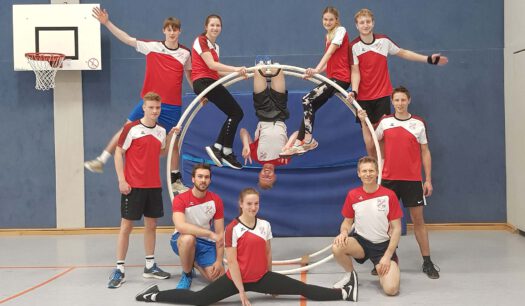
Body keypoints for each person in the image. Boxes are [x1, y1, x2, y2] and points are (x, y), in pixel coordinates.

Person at [136, 187, 358, 305]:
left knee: (302, 289)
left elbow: (267, 253)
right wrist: (242, 293)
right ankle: (154, 295)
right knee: (198, 299)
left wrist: (272, 283)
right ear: (241, 204)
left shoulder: (265, 225)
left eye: (256, 203)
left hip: (262, 277)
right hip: (237, 280)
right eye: (249, 204)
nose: (253, 207)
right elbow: (231, 262)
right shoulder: (234, 228)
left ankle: (344, 293)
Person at [85, 7, 191, 194]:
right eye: (169, 29)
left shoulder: (185, 53)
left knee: (173, 142)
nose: (172, 32)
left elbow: (190, 75)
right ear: (164, 31)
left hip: (172, 106)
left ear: (180, 31)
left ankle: (176, 180)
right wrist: (107, 23)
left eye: (175, 29)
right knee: (125, 129)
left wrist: (200, 94)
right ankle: (101, 160)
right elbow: (127, 38)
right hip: (149, 102)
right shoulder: (152, 47)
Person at [358, 86, 440, 279]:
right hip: (388, 179)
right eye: (397, 100)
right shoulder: (386, 122)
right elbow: (371, 144)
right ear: (392, 102)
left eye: (403, 100)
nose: (400, 103)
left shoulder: (418, 123)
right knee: (386, 223)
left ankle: (427, 262)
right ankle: (386, 259)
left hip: (412, 180)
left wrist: (427, 179)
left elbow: (425, 152)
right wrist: (363, 122)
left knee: (418, 221)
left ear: (409, 100)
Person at [349, 8, 448, 155]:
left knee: (381, 140)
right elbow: (355, 72)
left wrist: (428, 59)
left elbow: (403, 52)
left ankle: (382, 174)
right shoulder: (354, 46)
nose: (365, 25)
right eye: (361, 22)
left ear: (373, 23)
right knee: (370, 144)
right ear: (357, 26)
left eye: (368, 21)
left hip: (382, 96)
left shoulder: (384, 41)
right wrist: (355, 91)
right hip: (363, 98)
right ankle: (375, 172)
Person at [108, 92, 172, 289]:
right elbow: (119, 152)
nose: (154, 111)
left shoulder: (161, 131)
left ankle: (150, 266)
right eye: (151, 107)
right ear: (143, 108)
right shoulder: (131, 129)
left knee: (151, 225)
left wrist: (171, 137)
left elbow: (160, 153)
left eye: (157, 108)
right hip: (133, 186)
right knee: (126, 227)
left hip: (153, 186)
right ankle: (119, 269)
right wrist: (121, 180)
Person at [280, 6, 354, 158]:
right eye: (325, 19)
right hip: (333, 77)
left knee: (306, 99)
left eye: (331, 19)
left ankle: (308, 141)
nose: (328, 22)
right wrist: (316, 72)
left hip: (340, 79)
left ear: (337, 20)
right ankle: (300, 142)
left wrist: (316, 69)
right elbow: (332, 60)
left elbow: (330, 52)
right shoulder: (329, 35)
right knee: (310, 105)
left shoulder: (341, 31)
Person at [332, 156, 402, 296]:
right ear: (358, 173)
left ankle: (386, 267)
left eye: (371, 171)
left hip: (382, 247)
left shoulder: (389, 195)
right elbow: (347, 222)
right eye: (364, 171)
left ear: (377, 172)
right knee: (337, 246)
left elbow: (397, 228)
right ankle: (350, 276)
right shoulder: (353, 195)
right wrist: (344, 232)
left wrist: (387, 256)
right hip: (361, 243)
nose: (368, 174)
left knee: (391, 290)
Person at [192, 14, 247, 170]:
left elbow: (217, 72)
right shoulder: (201, 40)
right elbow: (211, 65)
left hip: (211, 81)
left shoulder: (215, 47)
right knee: (236, 112)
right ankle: (223, 150)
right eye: (212, 25)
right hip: (203, 82)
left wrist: (239, 74)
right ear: (206, 27)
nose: (215, 28)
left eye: (218, 25)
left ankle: (221, 148)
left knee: (235, 113)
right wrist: (236, 69)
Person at [239, 65, 298, 189]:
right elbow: (298, 133)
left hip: (263, 111)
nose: (266, 174)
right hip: (280, 112)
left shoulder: (256, 157)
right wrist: (288, 146)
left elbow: (243, 131)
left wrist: (245, 145)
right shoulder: (285, 160)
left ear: (259, 174)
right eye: (269, 177)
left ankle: (262, 65)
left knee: (259, 69)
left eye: (263, 176)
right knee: (277, 68)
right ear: (275, 176)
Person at [170, 163, 225, 289]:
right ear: (193, 179)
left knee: (217, 278)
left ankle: (193, 261)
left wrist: (219, 260)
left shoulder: (216, 200)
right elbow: (181, 226)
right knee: (188, 239)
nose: (203, 180)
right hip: (181, 238)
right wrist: (209, 233)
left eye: (206, 177)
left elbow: (220, 233)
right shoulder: (180, 199)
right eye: (200, 177)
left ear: (210, 180)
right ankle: (187, 274)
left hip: (206, 242)